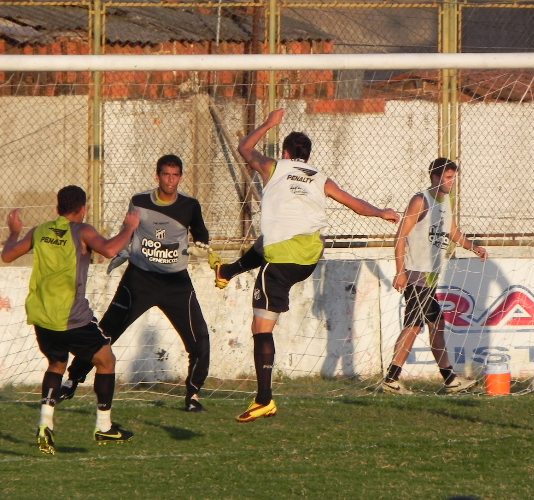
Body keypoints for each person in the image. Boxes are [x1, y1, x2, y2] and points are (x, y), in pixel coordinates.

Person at [233, 108, 400, 423]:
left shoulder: (273, 167)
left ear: (284, 153)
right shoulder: (320, 177)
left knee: (261, 328)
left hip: (281, 258)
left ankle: (263, 399)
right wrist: (381, 212)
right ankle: (227, 272)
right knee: (265, 249)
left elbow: (243, 148)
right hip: (309, 258)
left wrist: (269, 123)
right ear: (307, 157)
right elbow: (355, 204)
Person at [59, 154, 213, 412]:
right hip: (140, 279)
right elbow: (126, 231)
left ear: (181, 177)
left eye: (175, 175)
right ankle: (72, 380)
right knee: (106, 332)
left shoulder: (190, 206)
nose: (171, 180)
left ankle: (193, 395)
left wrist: (201, 246)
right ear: (157, 176)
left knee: (200, 339)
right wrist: (121, 252)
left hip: (176, 283)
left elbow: (201, 234)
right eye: (166, 174)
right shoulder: (139, 202)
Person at [1, 186, 140, 454]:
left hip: (42, 317)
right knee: (106, 360)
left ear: (58, 208)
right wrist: (129, 227)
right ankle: (104, 427)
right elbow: (110, 250)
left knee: (57, 363)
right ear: (83, 208)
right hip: (72, 319)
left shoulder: (39, 231)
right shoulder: (82, 231)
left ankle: (45, 425)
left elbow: (7, 256)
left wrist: (15, 231)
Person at [381, 158, 487, 395]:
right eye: (448, 178)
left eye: (454, 177)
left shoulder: (445, 201)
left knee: (437, 324)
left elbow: (452, 231)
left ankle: (449, 380)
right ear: (435, 177)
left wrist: (473, 247)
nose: (452, 182)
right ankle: (391, 378)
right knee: (414, 325)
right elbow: (400, 237)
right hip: (417, 273)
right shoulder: (421, 201)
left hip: (430, 276)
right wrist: (400, 272)